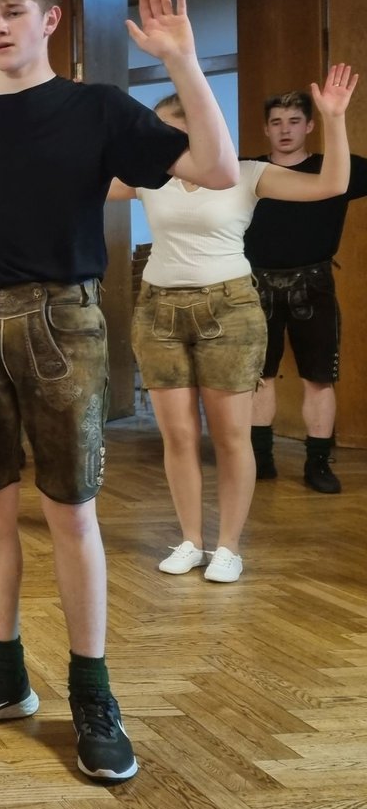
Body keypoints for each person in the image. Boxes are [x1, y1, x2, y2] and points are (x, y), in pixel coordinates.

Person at [0, 0, 238, 786]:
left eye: (12, 10)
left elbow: (216, 169)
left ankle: (93, 693)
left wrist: (182, 62)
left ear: (50, 19)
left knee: (71, 513)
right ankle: (4, 674)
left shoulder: (97, 108)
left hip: (63, 321)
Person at [108, 74, 354, 582]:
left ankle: (228, 547)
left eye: (173, 132)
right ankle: (190, 540)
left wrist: (333, 119)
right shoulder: (148, 178)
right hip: (158, 311)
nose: (163, 143)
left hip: (230, 309)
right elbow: (75, 179)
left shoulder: (247, 173)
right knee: (178, 435)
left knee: (230, 436)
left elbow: (331, 185)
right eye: (158, 132)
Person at [245, 86, 367, 493]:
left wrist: (338, 116)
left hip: (313, 285)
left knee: (319, 378)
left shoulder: (337, 168)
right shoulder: (248, 171)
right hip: (253, 285)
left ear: (310, 126)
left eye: (294, 121)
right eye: (277, 122)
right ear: (266, 129)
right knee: (258, 376)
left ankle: (318, 463)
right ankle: (260, 460)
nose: (285, 130)